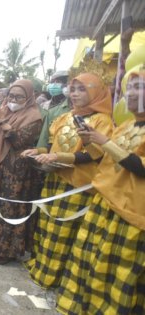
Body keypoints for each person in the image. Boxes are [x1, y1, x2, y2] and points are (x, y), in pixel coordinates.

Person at [56, 66, 145, 315]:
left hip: (132, 213)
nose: (133, 92)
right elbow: (100, 158)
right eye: (131, 87)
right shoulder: (126, 125)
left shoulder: (109, 124)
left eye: (140, 86)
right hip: (105, 202)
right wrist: (90, 140)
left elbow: (139, 168)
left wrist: (103, 140)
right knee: (91, 261)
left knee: (120, 272)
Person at [21, 73, 113, 289]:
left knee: (64, 231)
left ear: (96, 92)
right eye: (73, 89)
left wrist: (56, 157)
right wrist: (38, 150)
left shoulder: (102, 121)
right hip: (55, 179)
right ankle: (42, 267)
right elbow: (53, 147)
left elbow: (95, 155)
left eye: (82, 89)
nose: (75, 94)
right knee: (46, 226)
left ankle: (56, 278)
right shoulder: (65, 117)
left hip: (77, 186)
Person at [0, 79, 43, 265]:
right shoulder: (3, 110)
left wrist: (2, 120)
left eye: (19, 97)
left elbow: (18, 140)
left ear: (29, 98)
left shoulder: (34, 116)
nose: (13, 100)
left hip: (15, 171)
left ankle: (6, 251)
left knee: (8, 207)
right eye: (11, 96)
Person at [36, 71, 70, 148]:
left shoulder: (70, 106)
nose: (53, 85)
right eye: (52, 82)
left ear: (66, 85)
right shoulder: (43, 105)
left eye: (58, 81)